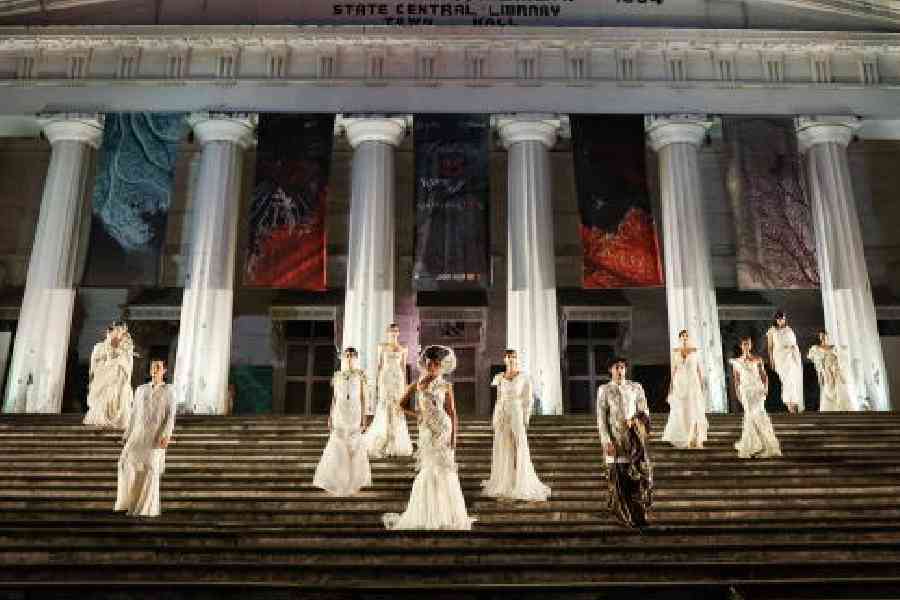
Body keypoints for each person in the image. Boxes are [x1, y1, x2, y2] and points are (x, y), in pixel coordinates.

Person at [383, 345, 475, 530]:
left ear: (441, 366)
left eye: (437, 364)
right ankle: (428, 514)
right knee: (429, 469)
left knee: (445, 470)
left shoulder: (446, 385)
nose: (433, 367)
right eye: (431, 363)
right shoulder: (418, 384)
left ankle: (448, 515)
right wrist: (417, 414)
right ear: (426, 364)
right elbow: (400, 403)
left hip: (443, 429)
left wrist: (454, 439)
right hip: (427, 432)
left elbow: (452, 413)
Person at [482, 349, 551, 502]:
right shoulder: (500, 377)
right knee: (503, 445)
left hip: (516, 412)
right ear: (504, 359)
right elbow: (499, 398)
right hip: (502, 413)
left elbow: (528, 400)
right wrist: (495, 416)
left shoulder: (524, 377)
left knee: (518, 445)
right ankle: (506, 481)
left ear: (517, 359)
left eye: (513, 356)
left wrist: (526, 418)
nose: (511, 359)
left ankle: (521, 481)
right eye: (508, 357)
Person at [114, 358, 176, 517]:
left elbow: (170, 416)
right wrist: (127, 434)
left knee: (150, 469)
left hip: (156, 435)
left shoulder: (169, 390)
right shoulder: (141, 389)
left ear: (164, 371)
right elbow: (134, 414)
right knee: (124, 462)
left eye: (158, 367)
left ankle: (146, 507)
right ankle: (129, 501)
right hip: (138, 433)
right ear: (150, 371)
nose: (155, 369)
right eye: (153, 367)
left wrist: (166, 435)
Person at [596, 357, 652, 529]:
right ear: (610, 370)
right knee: (618, 481)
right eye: (616, 367)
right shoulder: (604, 390)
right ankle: (624, 517)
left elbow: (644, 411)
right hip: (615, 441)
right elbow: (601, 419)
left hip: (634, 441)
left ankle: (639, 517)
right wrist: (606, 441)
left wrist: (635, 419)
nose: (620, 370)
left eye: (622, 367)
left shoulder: (636, 387)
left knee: (636, 479)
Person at [313, 347, 372, 496]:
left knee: (354, 447)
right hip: (340, 413)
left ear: (356, 357)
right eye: (347, 355)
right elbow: (334, 397)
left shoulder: (361, 375)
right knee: (337, 445)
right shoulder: (338, 375)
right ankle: (335, 482)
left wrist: (365, 418)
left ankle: (354, 483)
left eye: (352, 355)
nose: (349, 358)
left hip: (354, 413)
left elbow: (363, 397)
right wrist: (330, 416)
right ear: (343, 358)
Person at [363, 324, 413, 458]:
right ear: (387, 332)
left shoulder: (403, 348)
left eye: (396, 330)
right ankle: (384, 439)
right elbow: (379, 366)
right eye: (391, 331)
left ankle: (395, 440)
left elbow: (403, 368)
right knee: (385, 407)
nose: (394, 333)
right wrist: (378, 383)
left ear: (398, 332)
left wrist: (405, 386)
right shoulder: (382, 347)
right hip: (385, 379)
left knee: (397, 408)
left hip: (397, 380)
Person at [730, 337, 782, 459]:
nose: (746, 346)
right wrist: (738, 393)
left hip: (757, 390)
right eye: (744, 344)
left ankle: (768, 445)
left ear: (751, 345)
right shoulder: (736, 362)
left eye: (748, 344)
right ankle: (753, 445)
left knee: (760, 414)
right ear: (741, 346)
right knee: (749, 416)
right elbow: (736, 380)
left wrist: (766, 389)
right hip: (746, 391)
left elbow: (764, 376)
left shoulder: (757, 359)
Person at [662, 329, 708, 449]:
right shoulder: (675, 351)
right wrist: (670, 389)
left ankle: (694, 437)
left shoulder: (694, 351)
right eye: (682, 336)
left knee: (693, 409)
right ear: (679, 338)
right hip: (679, 382)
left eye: (686, 336)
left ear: (689, 337)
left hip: (692, 383)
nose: (684, 338)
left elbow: (698, 369)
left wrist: (701, 386)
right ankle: (682, 436)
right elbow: (674, 371)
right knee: (680, 409)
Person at [84, 323, 135, 428]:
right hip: (104, 379)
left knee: (118, 398)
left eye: (121, 332)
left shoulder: (125, 349)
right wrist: (108, 361)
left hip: (118, 379)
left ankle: (117, 420)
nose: (118, 334)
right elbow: (95, 363)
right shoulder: (100, 347)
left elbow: (128, 365)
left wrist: (120, 358)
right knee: (105, 398)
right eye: (116, 331)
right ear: (110, 332)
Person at [808, 331, 856, 412]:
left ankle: (842, 408)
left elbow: (842, 355)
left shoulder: (834, 347)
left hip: (835, 370)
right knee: (828, 388)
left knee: (839, 388)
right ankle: (830, 410)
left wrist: (837, 365)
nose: (823, 337)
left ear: (828, 336)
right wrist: (822, 370)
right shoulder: (817, 348)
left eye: (824, 335)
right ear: (819, 337)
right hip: (826, 370)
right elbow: (813, 358)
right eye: (821, 336)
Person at [766, 311, 804, 413]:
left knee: (791, 380)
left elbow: (794, 344)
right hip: (779, 357)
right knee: (785, 380)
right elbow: (770, 347)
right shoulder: (772, 331)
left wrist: (793, 351)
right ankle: (789, 403)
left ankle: (792, 405)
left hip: (790, 357)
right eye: (778, 318)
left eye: (782, 318)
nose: (780, 320)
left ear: (784, 319)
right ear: (775, 319)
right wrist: (771, 361)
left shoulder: (789, 330)